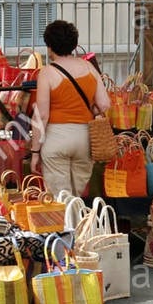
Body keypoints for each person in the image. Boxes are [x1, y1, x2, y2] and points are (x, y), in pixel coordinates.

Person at [29, 20, 110, 198]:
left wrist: (35, 151)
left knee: (61, 199)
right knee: (76, 197)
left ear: (50, 47)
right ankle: (78, 217)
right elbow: (104, 104)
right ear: (73, 44)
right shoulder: (89, 67)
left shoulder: (47, 73)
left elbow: (42, 115)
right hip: (85, 139)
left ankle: (67, 217)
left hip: (56, 138)